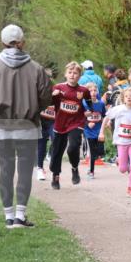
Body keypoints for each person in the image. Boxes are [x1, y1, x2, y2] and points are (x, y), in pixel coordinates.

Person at [0, 24, 52, 228]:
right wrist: (34, 108)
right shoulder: (36, 69)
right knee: (25, 171)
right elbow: (46, 97)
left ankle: (8, 217)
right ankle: (20, 216)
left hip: (0, 127)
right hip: (28, 126)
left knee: (6, 170)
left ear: (2, 42)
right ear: (22, 42)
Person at [49, 61, 89, 190]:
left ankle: (74, 168)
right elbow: (49, 103)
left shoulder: (83, 90)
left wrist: (88, 110)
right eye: (70, 72)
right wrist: (52, 96)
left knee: (73, 147)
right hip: (60, 123)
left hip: (76, 122)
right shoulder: (58, 87)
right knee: (57, 151)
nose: (72, 75)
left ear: (80, 76)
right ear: (65, 74)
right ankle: (55, 176)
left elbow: (89, 104)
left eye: (75, 73)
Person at [99, 86, 131, 198]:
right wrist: (101, 133)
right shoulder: (119, 109)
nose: (129, 98)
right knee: (123, 169)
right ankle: (120, 161)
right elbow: (106, 118)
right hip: (121, 142)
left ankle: (130, 189)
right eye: (126, 96)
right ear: (123, 98)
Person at [82, 83, 107, 178]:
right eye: (90, 91)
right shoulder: (84, 103)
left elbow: (104, 116)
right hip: (88, 132)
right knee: (92, 152)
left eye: (94, 90)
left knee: (99, 152)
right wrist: (87, 123)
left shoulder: (101, 103)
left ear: (97, 92)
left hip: (98, 131)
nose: (92, 93)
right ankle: (91, 171)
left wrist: (107, 122)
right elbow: (79, 117)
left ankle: (92, 162)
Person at [35, 68, 55, 181]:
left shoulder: (56, 91)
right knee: (41, 144)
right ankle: (40, 168)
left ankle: (51, 156)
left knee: (56, 139)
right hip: (41, 122)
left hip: (53, 121)